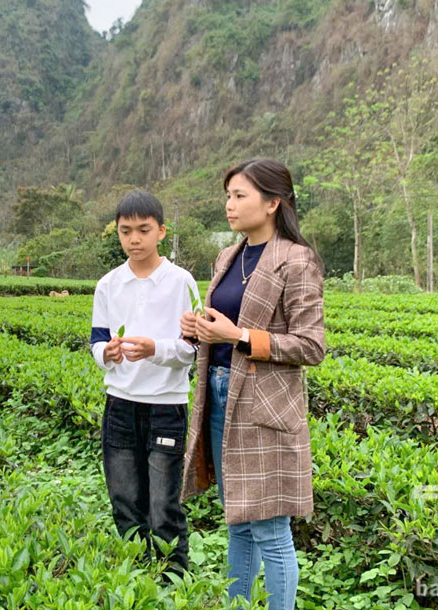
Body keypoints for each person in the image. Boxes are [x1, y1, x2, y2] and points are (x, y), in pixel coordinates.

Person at [179, 159, 325, 609]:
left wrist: (238, 336)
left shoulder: (296, 260)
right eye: (228, 196)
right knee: (238, 522)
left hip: (265, 408)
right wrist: (198, 330)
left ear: (272, 203)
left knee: (270, 530)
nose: (230, 204)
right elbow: (222, 328)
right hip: (220, 395)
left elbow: (311, 346)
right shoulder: (229, 256)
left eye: (240, 196)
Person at [90, 190, 200, 574]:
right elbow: (96, 340)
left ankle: (173, 578)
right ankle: (137, 575)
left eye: (143, 230)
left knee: (163, 502)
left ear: (161, 232)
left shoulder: (181, 282)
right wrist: (107, 352)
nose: (134, 239)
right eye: (125, 231)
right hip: (120, 402)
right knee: (124, 496)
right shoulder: (108, 285)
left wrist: (155, 349)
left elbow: (193, 348)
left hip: (166, 405)